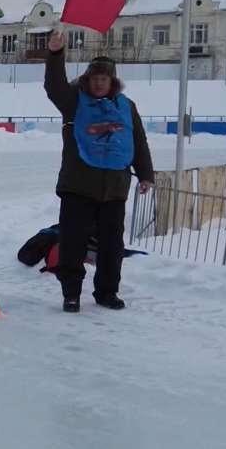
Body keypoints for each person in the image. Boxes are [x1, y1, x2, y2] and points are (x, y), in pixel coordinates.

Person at [44, 30, 154, 312]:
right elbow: (54, 86)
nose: (98, 83)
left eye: (103, 79)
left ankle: (107, 292)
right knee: (72, 243)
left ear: (113, 82)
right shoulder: (73, 101)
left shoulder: (127, 107)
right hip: (78, 186)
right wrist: (56, 54)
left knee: (111, 246)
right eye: (94, 79)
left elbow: (137, 140)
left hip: (115, 188)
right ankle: (71, 293)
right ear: (87, 80)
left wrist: (145, 174)